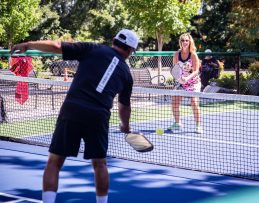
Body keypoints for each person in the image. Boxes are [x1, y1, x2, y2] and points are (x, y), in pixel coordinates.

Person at [10, 29, 138, 203]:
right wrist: (125, 126)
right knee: (100, 164)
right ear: (131, 50)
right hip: (98, 116)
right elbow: (124, 106)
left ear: (114, 40)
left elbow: (56, 46)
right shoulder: (126, 75)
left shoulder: (92, 48)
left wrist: (27, 44)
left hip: (72, 109)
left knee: (54, 162)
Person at [168, 33, 202, 134]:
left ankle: (198, 126)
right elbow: (175, 70)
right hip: (181, 83)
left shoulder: (193, 55)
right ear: (180, 42)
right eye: (183, 40)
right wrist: (179, 79)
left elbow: (196, 71)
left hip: (193, 82)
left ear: (190, 41)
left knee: (194, 103)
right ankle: (178, 123)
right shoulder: (176, 55)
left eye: (186, 40)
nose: (185, 42)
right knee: (174, 102)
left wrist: (187, 78)